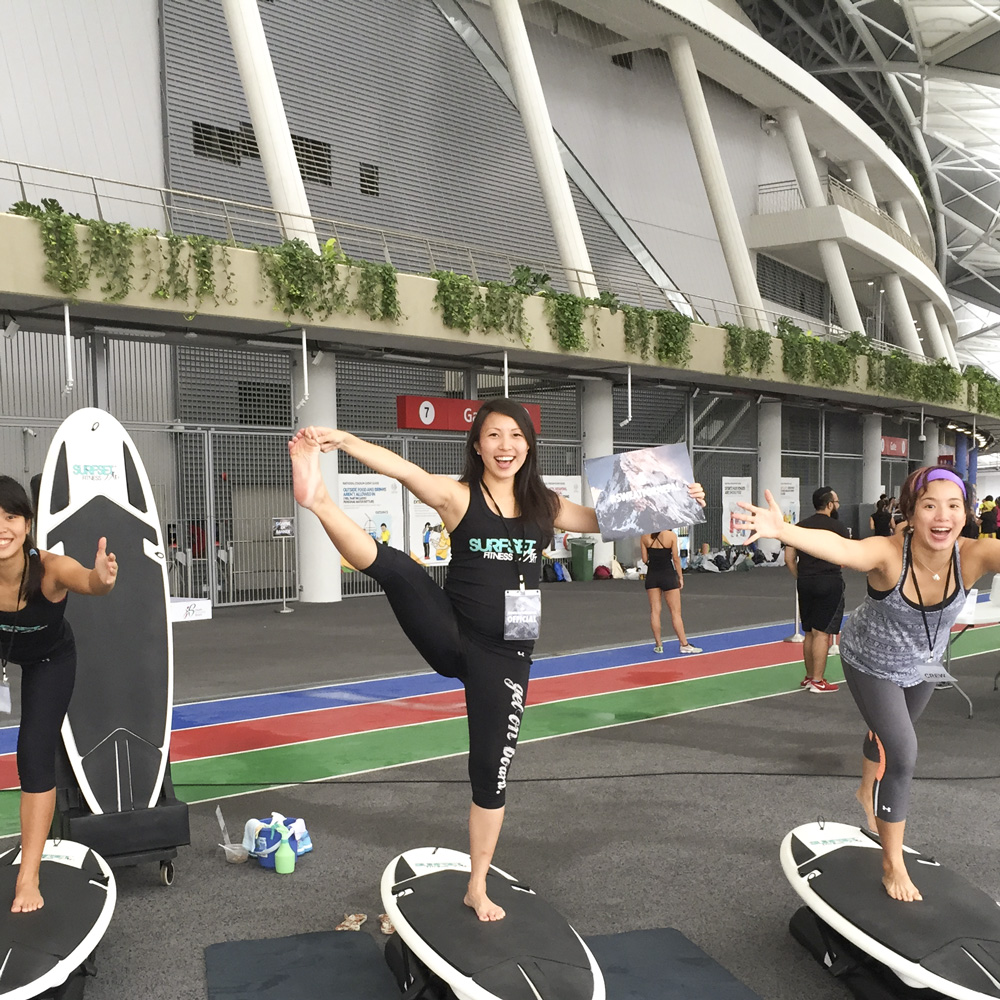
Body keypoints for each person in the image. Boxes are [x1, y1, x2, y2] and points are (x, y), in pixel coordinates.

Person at [288, 399, 703, 921]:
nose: (504, 445)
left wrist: (675, 502)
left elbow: (607, 520)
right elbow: (403, 469)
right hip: (453, 633)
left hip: (506, 657)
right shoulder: (459, 497)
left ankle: (476, 885)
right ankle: (319, 500)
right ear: (477, 445)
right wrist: (343, 441)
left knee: (491, 772)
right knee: (398, 570)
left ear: (528, 445)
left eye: (515, 436)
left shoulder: (545, 505)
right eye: (493, 435)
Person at [737, 466, 1000, 903]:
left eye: (954, 506)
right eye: (930, 505)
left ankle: (864, 787)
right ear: (911, 512)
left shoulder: (973, 554)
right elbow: (840, 548)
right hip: (870, 661)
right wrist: (783, 529)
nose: (942, 516)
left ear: (966, 514)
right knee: (903, 751)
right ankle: (891, 863)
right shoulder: (887, 553)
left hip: (923, 666)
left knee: (885, 733)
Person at [0, 475, 118, 913]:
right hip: (4, 653)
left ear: (27, 525)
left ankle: (28, 876)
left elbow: (90, 582)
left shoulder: (50, 569)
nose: (2, 527)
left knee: (32, 753)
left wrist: (103, 577)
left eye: (10, 517)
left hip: (50, 658)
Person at [785, 486, 849, 693]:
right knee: (822, 633)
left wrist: (800, 575)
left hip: (805, 581)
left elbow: (788, 558)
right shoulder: (838, 527)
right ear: (830, 504)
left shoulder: (799, 527)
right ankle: (818, 680)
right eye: (836, 502)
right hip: (829, 580)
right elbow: (846, 555)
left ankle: (809, 676)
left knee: (809, 631)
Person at [640, 529, 701, 655]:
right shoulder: (671, 536)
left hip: (652, 576)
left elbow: (645, 559)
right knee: (675, 612)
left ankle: (658, 645)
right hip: (667, 575)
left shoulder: (644, 537)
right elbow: (676, 558)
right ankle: (684, 644)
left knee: (655, 611)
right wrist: (680, 576)